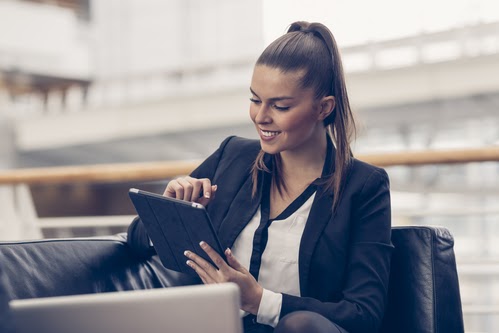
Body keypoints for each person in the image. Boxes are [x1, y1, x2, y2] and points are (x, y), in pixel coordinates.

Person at [127, 21, 392, 333]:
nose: (260, 116)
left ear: (324, 108)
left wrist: (258, 300)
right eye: (255, 100)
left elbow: (364, 313)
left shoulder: (364, 186)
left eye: (280, 106)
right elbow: (137, 239)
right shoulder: (233, 157)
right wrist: (172, 209)